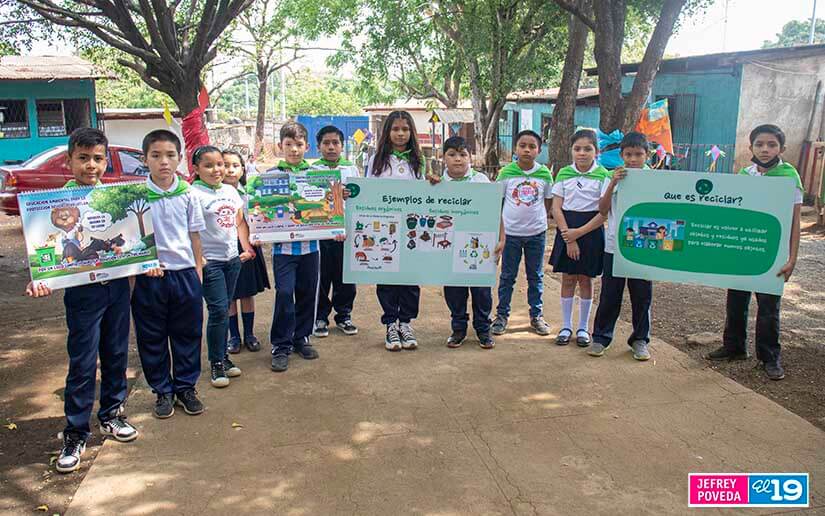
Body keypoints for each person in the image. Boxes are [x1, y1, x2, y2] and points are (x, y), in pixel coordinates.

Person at [25, 128, 138, 474]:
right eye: (84, 158)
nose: (91, 165)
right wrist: (40, 279)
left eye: (98, 158)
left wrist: (144, 264)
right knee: (83, 361)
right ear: (69, 160)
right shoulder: (52, 203)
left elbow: (132, 242)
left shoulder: (118, 197)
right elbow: (45, 248)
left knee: (117, 352)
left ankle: (111, 414)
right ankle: (75, 432)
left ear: (106, 161)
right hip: (82, 294)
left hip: (117, 288)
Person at [705, 124, 803, 381]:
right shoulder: (746, 175)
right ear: (751, 148)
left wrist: (792, 259)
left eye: (771, 145)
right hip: (742, 250)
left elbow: (795, 222)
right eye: (760, 144)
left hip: (771, 253)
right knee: (736, 300)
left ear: (782, 148)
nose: (765, 149)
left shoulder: (789, 177)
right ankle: (734, 346)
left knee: (769, 307)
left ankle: (770, 357)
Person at [131, 129, 206, 418]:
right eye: (156, 155)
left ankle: (186, 387)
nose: (164, 162)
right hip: (150, 278)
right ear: (145, 159)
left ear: (179, 159)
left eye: (170, 155)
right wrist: (137, 274)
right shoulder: (135, 197)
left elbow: (194, 236)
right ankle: (162, 390)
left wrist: (197, 271)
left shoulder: (188, 194)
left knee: (187, 333)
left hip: (185, 274)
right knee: (152, 336)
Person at [191, 146, 255, 388]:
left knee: (225, 306)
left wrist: (246, 248)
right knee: (218, 310)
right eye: (208, 165)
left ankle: (224, 358)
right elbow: (191, 230)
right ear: (196, 169)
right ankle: (216, 362)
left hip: (232, 260)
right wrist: (199, 260)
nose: (216, 169)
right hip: (211, 263)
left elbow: (239, 221)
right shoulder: (193, 193)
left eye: (219, 164)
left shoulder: (230, 190)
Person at [589, 132, 653, 360]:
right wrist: (613, 183)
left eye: (638, 154)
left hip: (644, 248)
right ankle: (600, 337)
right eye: (628, 154)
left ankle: (640, 340)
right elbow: (603, 209)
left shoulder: (655, 179)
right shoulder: (613, 176)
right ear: (621, 155)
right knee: (610, 294)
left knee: (642, 296)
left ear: (647, 154)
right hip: (614, 246)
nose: (633, 159)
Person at [428, 136, 495, 349]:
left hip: (478, 244)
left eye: (463, 154)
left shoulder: (481, 181)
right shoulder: (436, 183)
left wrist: (500, 240)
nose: (458, 159)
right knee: (454, 290)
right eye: (452, 154)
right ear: (443, 157)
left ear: (471, 157)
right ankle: (458, 328)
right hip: (449, 247)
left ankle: (483, 329)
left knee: (481, 291)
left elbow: (495, 213)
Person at [366, 110, 425, 351]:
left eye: (405, 129)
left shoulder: (418, 161)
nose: (400, 134)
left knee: (410, 278)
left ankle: (406, 322)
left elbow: (425, 194)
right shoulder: (376, 160)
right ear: (387, 132)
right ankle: (391, 323)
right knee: (387, 276)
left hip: (411, 229)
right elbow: (368, 193)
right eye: (395, 129)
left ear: (411, 133)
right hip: (385, 230)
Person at [268, 121, 321, 372]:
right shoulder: (269, 176)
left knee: (308, 293)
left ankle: (301, 337)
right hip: (283, 250)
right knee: (285, 293)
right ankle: (280, 344)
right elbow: (259, 210)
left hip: (311, 248)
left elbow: (329, 207)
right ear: (280, 146)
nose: (294, 150)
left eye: (299, 145)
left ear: (307, 147)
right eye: (289, 145)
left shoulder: (317, 176)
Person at [491, 129, 554, 337]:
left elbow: (548, 201)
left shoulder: (544, 174)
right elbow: (497, 203)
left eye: (532, 146)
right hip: (510, 235)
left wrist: (537, 220)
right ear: (516, 149)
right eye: (523, 146)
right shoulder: (506, 173)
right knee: (507, 276)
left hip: (537, 234)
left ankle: (536, 316)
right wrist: (501, 233)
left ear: (539, 150)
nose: (527, 150)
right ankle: (501, 316)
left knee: (535, 276)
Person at [549, 129, 609, 346]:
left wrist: (579, 233)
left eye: (587, 149)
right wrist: (569, 237)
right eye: (577, 149)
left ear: (596, 151)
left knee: (586, 279)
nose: (582, 153)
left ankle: (583, 328)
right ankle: (566, 326)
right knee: (568, 278)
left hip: (591, 232)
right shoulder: (564, 173)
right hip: (567, 231)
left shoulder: (604, 175)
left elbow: (603, 213)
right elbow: (556, 208)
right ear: (571, 151)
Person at [311, 125, 359, 338]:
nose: (331, 147)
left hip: (346, 232)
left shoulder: (351, 169)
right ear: (318, 146)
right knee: (322, 275)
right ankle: (320, 316)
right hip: (321, 232)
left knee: (345, 275)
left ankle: (344, 315)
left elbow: (360, 196)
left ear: (342, 146)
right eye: (326, 143)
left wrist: (350, 195)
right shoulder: (311, 171)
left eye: (335, 143)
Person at [222, 149, 270, 353]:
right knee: (229, 295)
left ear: (243, 169)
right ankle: (234, 337)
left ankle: (249, 334)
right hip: (225, 248)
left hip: (248, 246)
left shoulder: (251, 193)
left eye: (235, 165)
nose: (230, 170)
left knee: (247, 293)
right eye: (225, 165)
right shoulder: (213, 194)